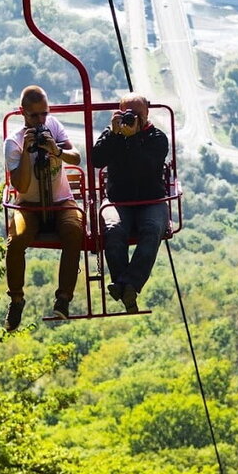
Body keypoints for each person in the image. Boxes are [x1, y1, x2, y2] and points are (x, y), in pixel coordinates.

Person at [4, 85, 85, 331]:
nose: (40, 121)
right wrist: (29, 151)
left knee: (74, 231)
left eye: (44, 114)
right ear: (23, 113)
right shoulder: (14, 143)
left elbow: (76, 157)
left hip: (61, 200)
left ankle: (63, 298)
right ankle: (16, 299)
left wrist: (55, 150)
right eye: (34, 116)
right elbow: (22, 184)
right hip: (29, 205)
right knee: (16, 241)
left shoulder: (54, 127)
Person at [90, 92, 170, 312]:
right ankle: (124, 286)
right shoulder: (112, 135)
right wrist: (115, 136)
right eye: (127, 113)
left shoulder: (157, 138)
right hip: (119, 201)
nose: (131, 118)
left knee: (152, 229)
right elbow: (96, 159)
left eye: (136, 114)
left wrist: (133, 138)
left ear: (146, 115)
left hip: (151, 199)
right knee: (114, 229)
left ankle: (128, 284)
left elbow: (146, 167)